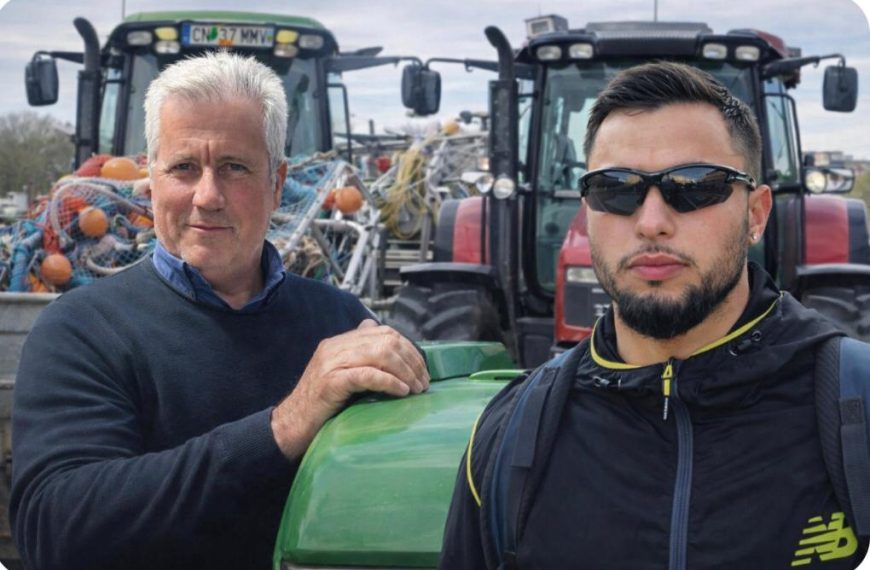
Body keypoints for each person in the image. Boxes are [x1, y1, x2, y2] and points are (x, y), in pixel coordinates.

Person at [439, 61, 868, 569]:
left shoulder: (852, 413)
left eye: (695, 185)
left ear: (756, 214)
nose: (651, 223)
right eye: (615, 188)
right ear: (588, 210)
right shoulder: (507, 440)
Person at [10, 52, 428, 570]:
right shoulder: (80, 331)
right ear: (152, 180)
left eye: (234, 168)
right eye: (185, 167)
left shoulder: (340, 320)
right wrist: (283, 426)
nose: (207, 196)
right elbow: (56, 531)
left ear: (277, 184)